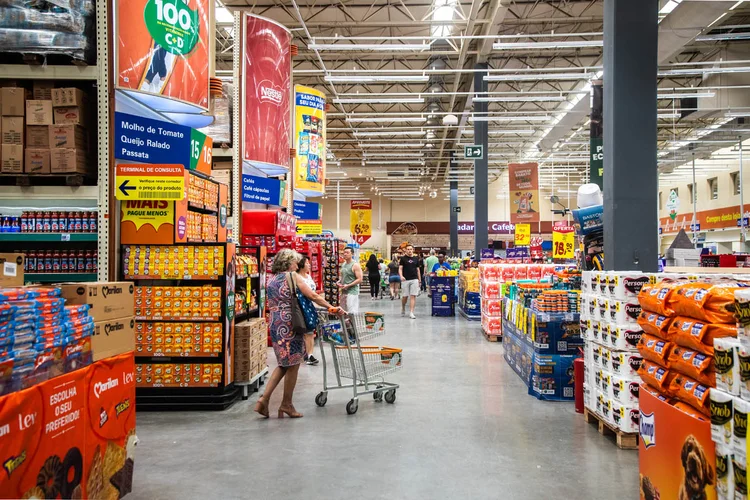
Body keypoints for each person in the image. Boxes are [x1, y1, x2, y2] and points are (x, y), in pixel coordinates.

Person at [255, 249, 342, 419]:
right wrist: (330, 307)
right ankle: (286, 404)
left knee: (284, 363)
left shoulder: (271, 280)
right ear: (289, 263)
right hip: (291, 323)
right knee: (293, 363)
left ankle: (264, 400)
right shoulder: (293, 277)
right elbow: (312, 295)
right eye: (295, 261)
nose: (297, 264)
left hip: (275, 321)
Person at [296, 255, 319, 366]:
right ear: (301, 265)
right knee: (304, 332)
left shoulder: (308, 276)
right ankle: (304, 354)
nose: (309, 265)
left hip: (309, 306)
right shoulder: (296, 277)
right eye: (307, 263)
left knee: (310, 331)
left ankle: (310, 355)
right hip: (301, 307)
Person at [338, 247, 362, 314]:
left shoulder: (355, 265)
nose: (345, 254)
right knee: (343, 311)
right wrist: (339, 281)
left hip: (352, 292)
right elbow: (344, 276)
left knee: (351, 312)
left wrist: (348, 285)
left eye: (347, 252)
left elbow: (360, 279)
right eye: (344, 252)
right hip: (344, 292)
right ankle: (346, 324)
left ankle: (352, 324)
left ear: (352, 254)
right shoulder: (343, 264)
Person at [399, 244, 421, 319]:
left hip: (414, 279)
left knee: (413, 295)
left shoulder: (416, 259)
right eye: (408, 249)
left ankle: (411, 312)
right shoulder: (403, 259)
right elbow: (400, 269)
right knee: (405, 296)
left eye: (410, 249)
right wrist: (401, 276)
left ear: (413, 250)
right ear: (406, 250)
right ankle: (403, 306)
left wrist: (419, 280)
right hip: (405, 280)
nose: (409, 250)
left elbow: (418, 270)